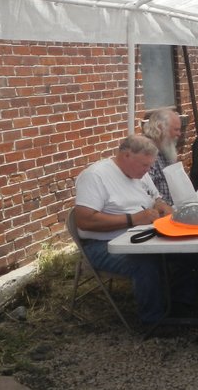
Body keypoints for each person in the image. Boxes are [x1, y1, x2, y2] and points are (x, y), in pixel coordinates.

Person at [74, 135, 179, 324]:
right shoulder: (95, 176)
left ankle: (183, 304)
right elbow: (84, 220)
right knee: (145, 262)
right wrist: (133, 220)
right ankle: (154, 322)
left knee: (184, 250)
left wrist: (161, 204)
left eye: (150, 166)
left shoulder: (139, 171)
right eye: (144, 165)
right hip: (103, 244)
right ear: (126, 155)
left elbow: (155, 197)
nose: (147, 170)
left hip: (141, 236)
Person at [141, 108, 183, 205]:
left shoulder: (165, 148)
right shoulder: (145, 152)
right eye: (176, 129)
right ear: (160, 128)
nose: (179, 134)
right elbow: (146, 194)